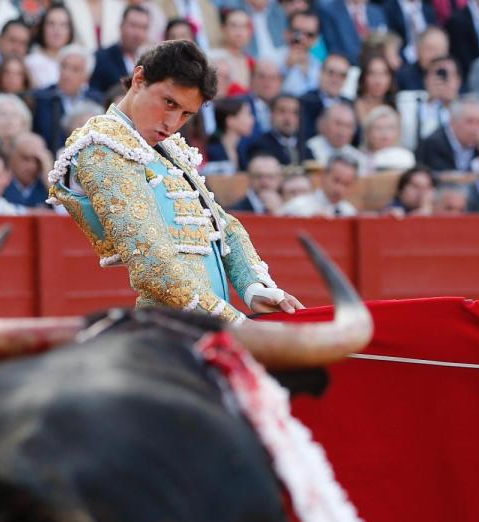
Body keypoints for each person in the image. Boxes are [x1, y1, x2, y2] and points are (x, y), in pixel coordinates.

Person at [48, 39, 302, 322]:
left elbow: (221, 224)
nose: (172, 123)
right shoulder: (101, 146)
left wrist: (255, 288)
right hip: (165, 332)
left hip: (204, 324)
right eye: (169, 103)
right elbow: (153, 263)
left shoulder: (170, 149)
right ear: (139, 79)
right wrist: (232, 323)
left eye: (186, 114)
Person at [90, 6, 151, 96]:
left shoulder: (150, 61)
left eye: (143, 28)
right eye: (133, 26)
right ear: (121, 26)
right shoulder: (101, 58)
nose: (137, 33)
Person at [278, 151, 359, 217]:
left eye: (346, 184)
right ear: (324, 176)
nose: (339, 189)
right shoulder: (297, 207)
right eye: (336, 181)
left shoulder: (349, 212)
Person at [3, 132, 53, 208]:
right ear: (11, 158)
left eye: (37, 160)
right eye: (25, 158)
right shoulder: (0, 185)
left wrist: (49, 180)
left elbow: (69, 213)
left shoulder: (47, 188)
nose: (32, 166)